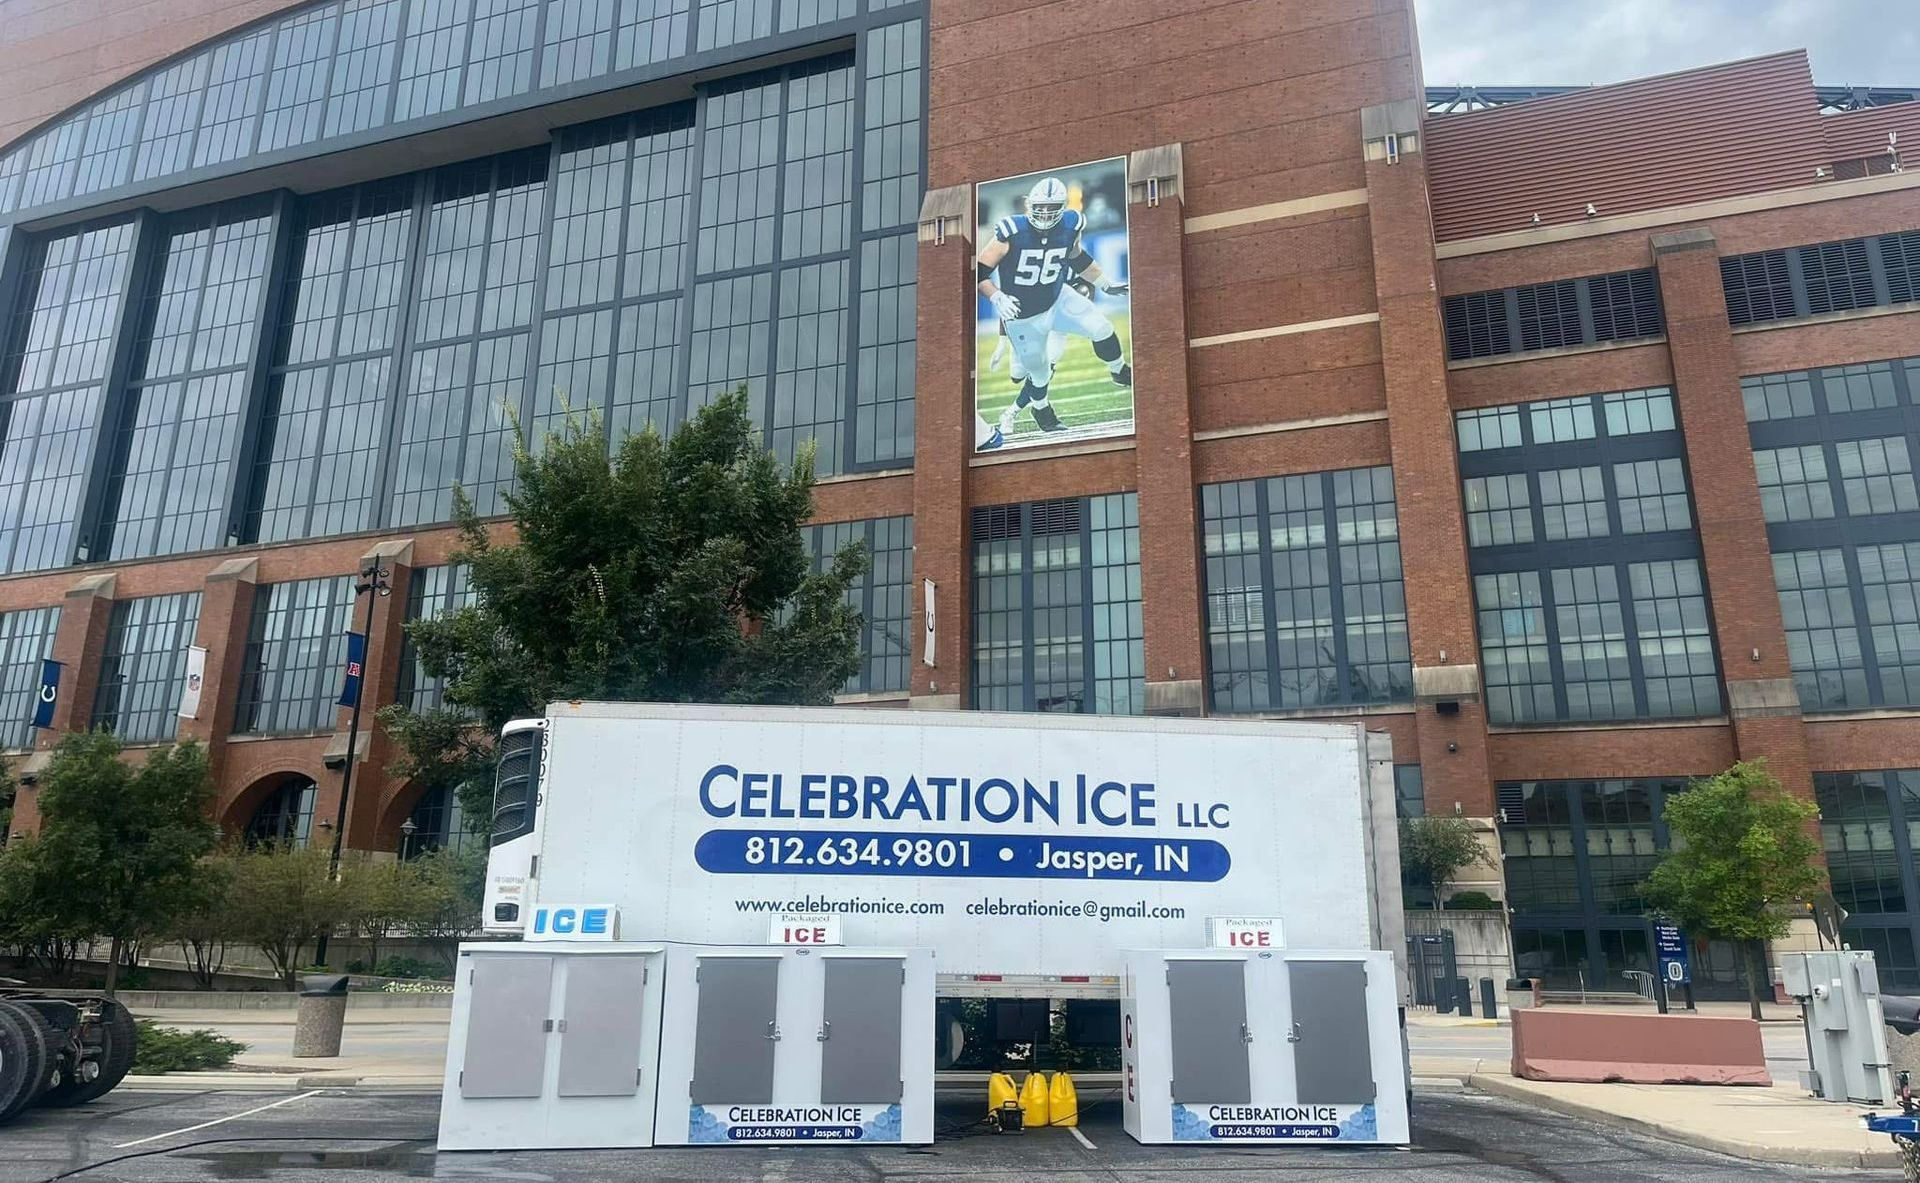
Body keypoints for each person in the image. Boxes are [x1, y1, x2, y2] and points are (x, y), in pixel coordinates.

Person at [975, 176, 1130, 443]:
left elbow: (1077, 256)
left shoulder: (1072, 223)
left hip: (1057, 298)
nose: (1045, 213)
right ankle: (1041, 409)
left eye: (1051, 207)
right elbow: (979, 271)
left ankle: (1118, 370)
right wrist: (996, 296)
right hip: (1023, 314)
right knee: (1038, 370)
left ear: (1061, 206)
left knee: (1102, 327)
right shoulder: (1012, 230)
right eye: (1041, 207)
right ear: (1029, 205)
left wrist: (1105, 284)